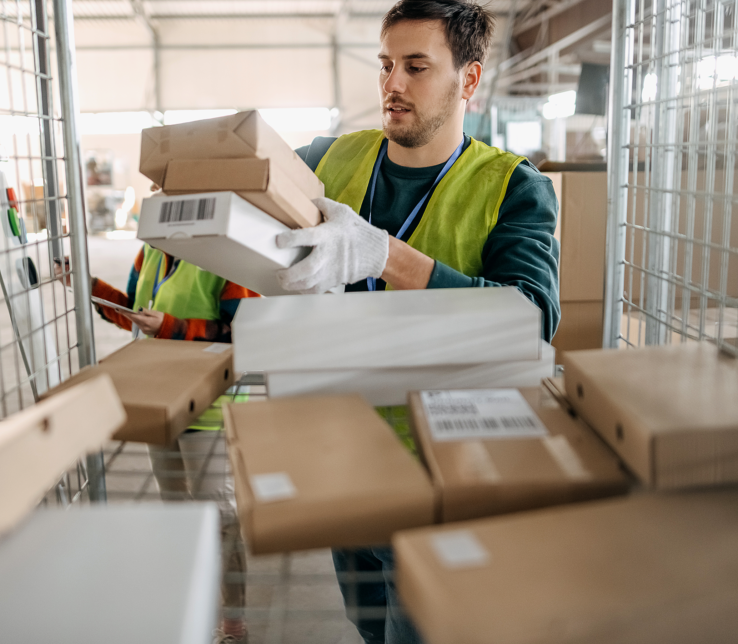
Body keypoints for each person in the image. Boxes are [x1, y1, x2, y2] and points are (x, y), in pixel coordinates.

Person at [278, 1, 561, 642]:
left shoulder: (511, 186)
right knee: (368, 624)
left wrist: (388, 256)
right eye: (385, 65)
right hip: (345, 451)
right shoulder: (330, 160)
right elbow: (252, 171)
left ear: (468, 80)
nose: (392, 85)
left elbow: (531, 321)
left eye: (415, 66)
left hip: (445, 468)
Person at [79, 246, 258, 644]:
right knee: (176, 512)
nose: (157, 197)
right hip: (161, 393)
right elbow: (136, 312)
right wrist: (90, 288)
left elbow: (244, 331)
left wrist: (172, 327)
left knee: (220, 517)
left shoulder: (226, 254)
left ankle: (234, 626)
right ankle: (188, 610)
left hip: (211, 404)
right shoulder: (150, 252)